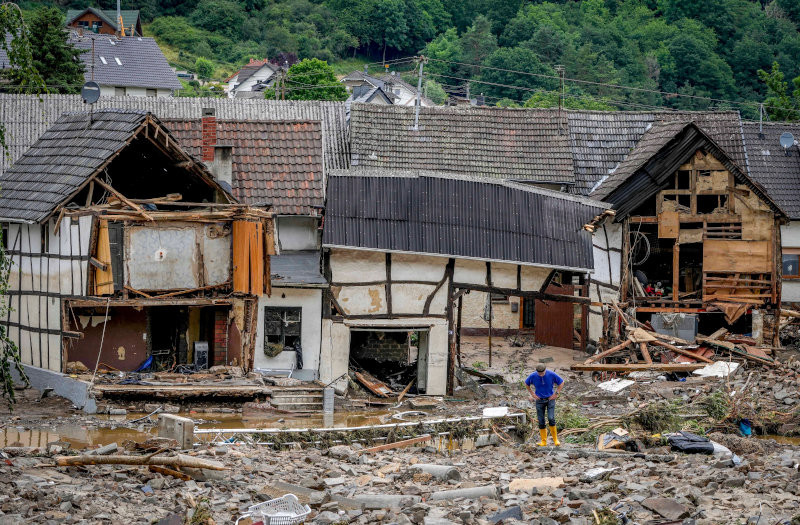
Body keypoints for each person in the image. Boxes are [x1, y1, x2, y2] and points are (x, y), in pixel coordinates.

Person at [524, 363, 564, 446]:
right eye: (539, 373)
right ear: (537, 372)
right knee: (541, 420)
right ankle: (543, 441)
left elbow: (561, 382)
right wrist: (532, 394)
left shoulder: (551, 374)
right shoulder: (533, 376)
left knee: (551, 418)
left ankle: (555, 440)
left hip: (550, 399)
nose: (541, 375)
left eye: (542, 373)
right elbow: (526, 383)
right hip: (539, 400)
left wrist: (556, 393)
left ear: (545, 370)